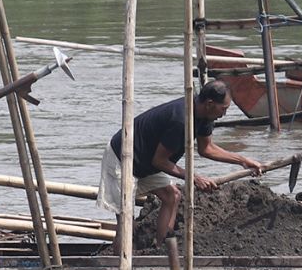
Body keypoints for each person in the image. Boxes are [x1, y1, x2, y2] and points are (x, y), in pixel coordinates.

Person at [97, 80, 266, 246]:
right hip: (122, 158)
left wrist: (243, 161)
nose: (224, 114)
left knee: (173, 196)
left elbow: (206, 148)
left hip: (146, 162)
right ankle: (119, 267)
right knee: (127, 224)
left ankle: (161, 249)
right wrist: (194, 177)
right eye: (224, 109)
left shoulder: (206, 116)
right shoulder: (181, 120)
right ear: (209, 103)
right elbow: (160, 161)